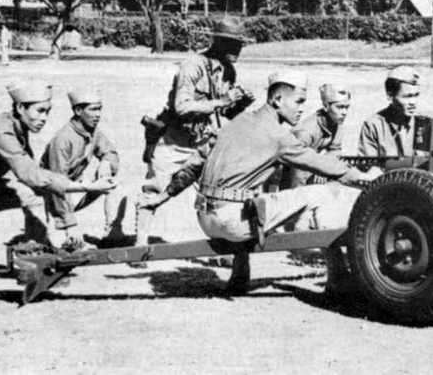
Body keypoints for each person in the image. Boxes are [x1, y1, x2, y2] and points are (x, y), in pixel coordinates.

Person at [141, 71, 380, 294]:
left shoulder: (238, 121)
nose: (301, 110)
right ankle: (338, 277)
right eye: (298, 102)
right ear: (277, 100)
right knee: (322, 193)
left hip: (205, 219)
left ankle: (239, 276)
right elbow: (321, 164)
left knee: (251, 196)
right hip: (232, 225)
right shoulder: (279, 136)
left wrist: (165, 195)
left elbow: (197, 160)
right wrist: (364, 179)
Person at [0, 81, 116, 288]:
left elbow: (30, 175)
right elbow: (29, 174)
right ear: (21, 108)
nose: (44, 119)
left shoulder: (18, 128)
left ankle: (36, 260)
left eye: (47, 112)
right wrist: (85, 187)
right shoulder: (2, 132)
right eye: (40, 111)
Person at [135, 16, 255, 249]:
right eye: (233, 43)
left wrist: (239, 104)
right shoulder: (193, 65)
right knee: (156, 189)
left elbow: (222, 114)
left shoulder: (228, 71)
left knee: (215, 195)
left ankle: (221, 247)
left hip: (204, 141)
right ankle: (139, 246)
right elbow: (182, 107)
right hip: (175, 138)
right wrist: (221, 101)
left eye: (240, 44)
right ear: (218, 43)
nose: (238, 49)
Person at [40, 89, 126, 248]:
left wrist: (106, 162)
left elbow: (111, 152)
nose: (98, 114)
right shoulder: (62, 139)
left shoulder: (92, 131)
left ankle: (113, 233)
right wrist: (70, 224)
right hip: (48, 197)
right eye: (93, 109)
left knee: (113, 183)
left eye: (100, 109)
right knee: (60, 248)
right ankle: (57, 231)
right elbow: (57, 185)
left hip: (73, 189)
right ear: (78, 111)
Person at [286, 83, 351, 188]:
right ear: (326, 106)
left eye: (347, 107)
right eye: (339, 107)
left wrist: (325, 166)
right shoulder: (306, 132)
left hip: (306, 166)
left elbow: (335, 150)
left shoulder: (336, 122)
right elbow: (297, 172)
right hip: (284, 172)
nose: (344, 112)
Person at [358, 65, 421, 157]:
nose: (413, 102)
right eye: (407, 96)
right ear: (390, 96)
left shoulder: (424, 125)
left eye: (416, 95)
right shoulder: (373, 126)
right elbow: (368, 166)